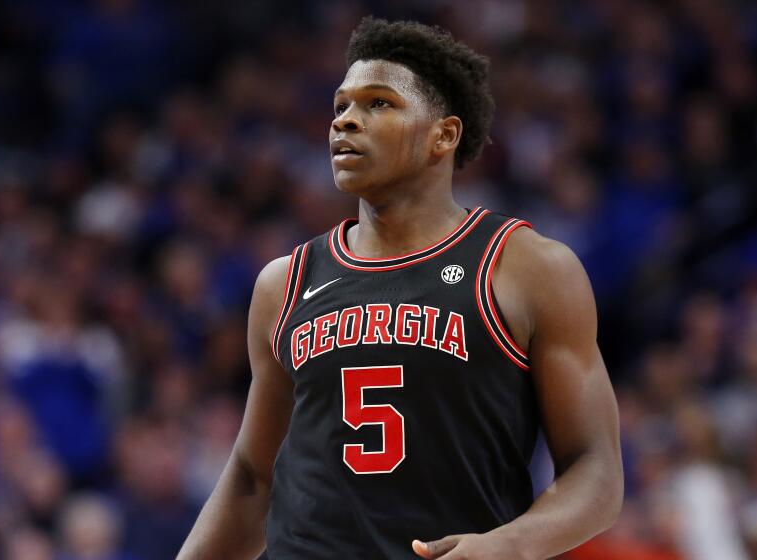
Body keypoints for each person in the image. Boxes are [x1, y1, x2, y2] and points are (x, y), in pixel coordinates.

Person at [177, 17, 623, 560]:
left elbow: (596, 472)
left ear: (444, 134)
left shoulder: (524, 266)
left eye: (378, 103)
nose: (346, 121)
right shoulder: (284, 283)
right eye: (341, 105)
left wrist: (510, 546)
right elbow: (251, 479)